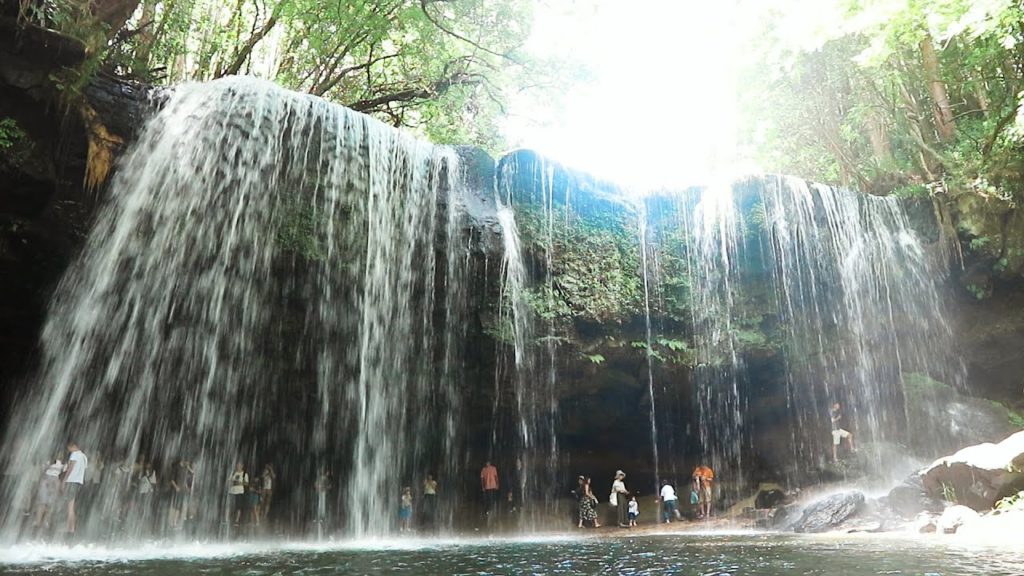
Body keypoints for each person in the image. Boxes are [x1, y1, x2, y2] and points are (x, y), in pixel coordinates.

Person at [62, 442, 88, 534]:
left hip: (71, 481)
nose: (69, 451)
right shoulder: (84, 456)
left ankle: (71, 529)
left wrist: (64, 480)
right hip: (79, 482)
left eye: (69, 448)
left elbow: (71, 468)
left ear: (73, 446)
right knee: (72, 506)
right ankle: (71, 528)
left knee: (70, 507)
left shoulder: (75, 454)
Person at [33, 458, 64, 533]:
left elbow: (63, 473)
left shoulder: (62, 462)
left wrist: (58, 484)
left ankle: (46, 521)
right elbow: (41, 471)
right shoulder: (47, 460)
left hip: (55, 481)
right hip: (46, 480)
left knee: (51, 504)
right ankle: (38, 522)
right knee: (42, 503)